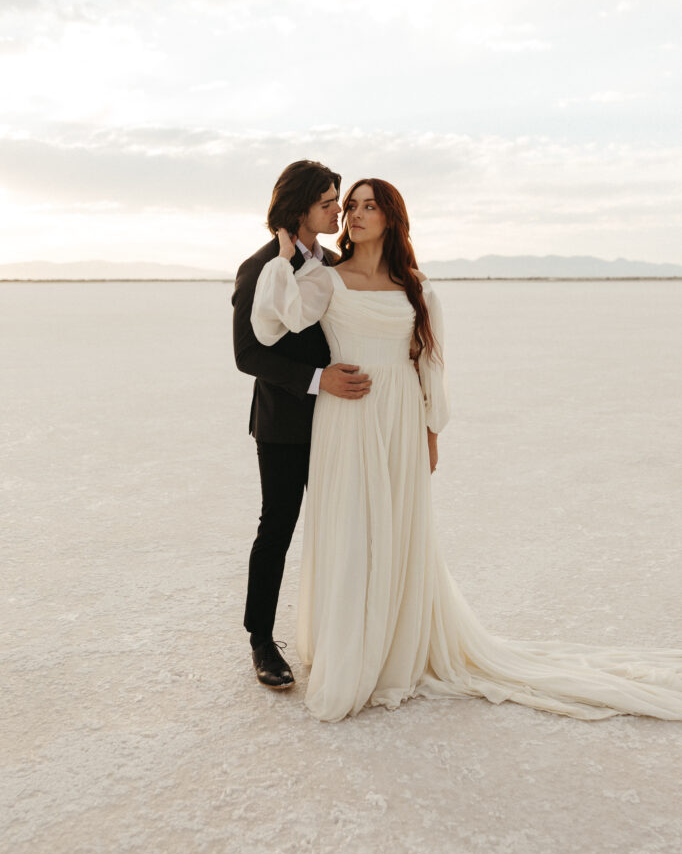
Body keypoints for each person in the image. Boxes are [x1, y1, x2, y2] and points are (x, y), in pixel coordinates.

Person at [251, 177, 682, 723]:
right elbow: (269, 329)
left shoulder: (417, 287)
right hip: (348, 418)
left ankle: (392, 648)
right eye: (350, 206)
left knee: (399, 531)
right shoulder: (323, 278)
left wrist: (431, 433)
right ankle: (349, 647)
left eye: (368, 207)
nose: (354, 216)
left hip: (402, 417)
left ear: (391, 219)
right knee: (350, 527)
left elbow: (430, 363)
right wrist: (285, 258)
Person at [232, 161, 371, 690]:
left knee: (344, 524)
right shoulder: (260, 266)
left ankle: (347, 635)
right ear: (300, 208)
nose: (338, 210)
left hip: (342, 420)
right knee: (278, 527)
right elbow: (248, 354)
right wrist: (318, 380)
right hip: (285, 423)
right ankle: (262, 642)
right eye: (329, 201)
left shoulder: (336, 265)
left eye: (338, 200)